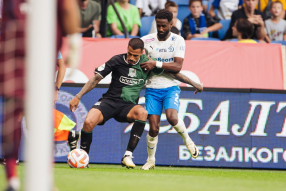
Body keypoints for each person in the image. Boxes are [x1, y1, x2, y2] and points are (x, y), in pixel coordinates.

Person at [69, 38, 203, 168]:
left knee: (143, 113)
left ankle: (127, 155)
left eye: (135, 55)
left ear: (142, 53)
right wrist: (78, 96)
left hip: (127, 107)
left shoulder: (147, 63)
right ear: (127, 49)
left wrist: (193, 83)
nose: (131, 58)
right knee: (88, 122)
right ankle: (82, 156)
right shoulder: (116, 60)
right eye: (129, 54)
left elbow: (172, 73)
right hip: (109, 102)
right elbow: (96, 78)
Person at [140, 9, 202, 170]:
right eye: (158, 26)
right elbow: (138, 62)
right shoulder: (145, 41)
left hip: (170, 87)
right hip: (152, 88)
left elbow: (177, 66)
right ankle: (151, 160)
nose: (160, 29)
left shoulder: (178, 40)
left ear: (171, 24)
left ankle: (188, 141)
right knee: (153, 128)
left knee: (172, 117)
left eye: (164, 26)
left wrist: (155, 63)